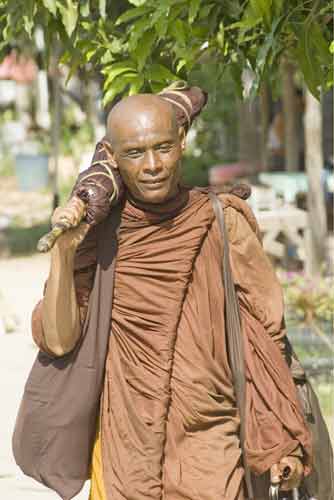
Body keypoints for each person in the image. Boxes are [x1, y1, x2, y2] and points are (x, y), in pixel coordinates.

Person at [31, 93, 311, 500]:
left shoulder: (220, 221)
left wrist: (280, 439)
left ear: (182, 139)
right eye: (135, 153)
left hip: (212, 447)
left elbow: (266, 337)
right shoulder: (99, 236)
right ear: (110, 154)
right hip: (121, 450)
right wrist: (64, 253)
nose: (152, 166)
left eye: (163, 147)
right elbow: (58, 340)